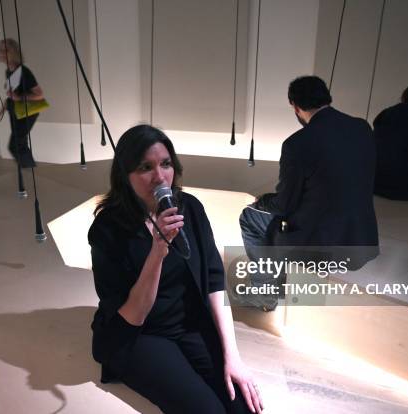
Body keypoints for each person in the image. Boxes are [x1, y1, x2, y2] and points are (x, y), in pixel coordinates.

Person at [88, 125, 263, 414]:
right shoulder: (108, 229)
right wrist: (157, 252)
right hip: (141, 334)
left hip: (190, 323)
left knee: (243, 405)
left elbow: (214, 282)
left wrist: (233, 357)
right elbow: (133, 313)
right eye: (146, 167)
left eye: (165, 164)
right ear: (125, 175)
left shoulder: (189, 208)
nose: (160, 177)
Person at [240, 76, 379, 272]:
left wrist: (262, 200)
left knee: (249, 216)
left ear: (295, 106)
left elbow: (284, 205)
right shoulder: (362, 128)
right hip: (360, 236)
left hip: (319, 240)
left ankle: (266, 291)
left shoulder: (297, 143)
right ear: (327, 97)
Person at [0, 38, 44, 168]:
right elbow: (11, 97)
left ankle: (29, 170)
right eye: (0, 50)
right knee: (20, 144)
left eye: (6, 50)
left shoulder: (24, 71)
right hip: (16, 110)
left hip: (28, 111)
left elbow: (39, 95)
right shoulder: (8, 71)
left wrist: (19, 98)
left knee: (15, 145)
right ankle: (29, 171)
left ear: (14, 52)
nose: (2, 53)